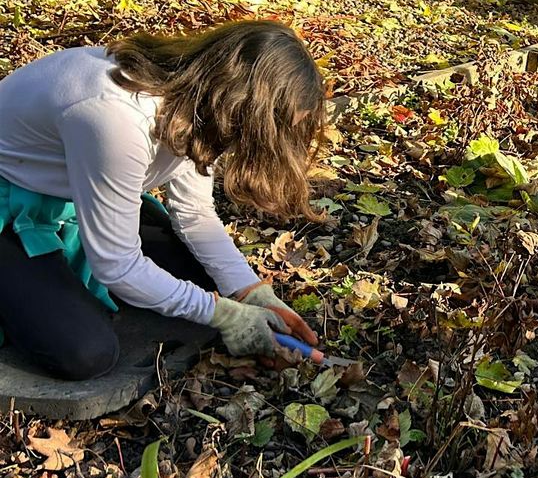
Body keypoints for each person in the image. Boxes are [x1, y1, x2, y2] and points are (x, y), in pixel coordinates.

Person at [0, 21, 323, 380]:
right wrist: (222, 315)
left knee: (207, 282)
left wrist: (250, 292)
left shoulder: (201, 104)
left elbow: (195, 214)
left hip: (77, 200)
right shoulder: (115, 117)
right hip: (11, 211)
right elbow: (118, 264)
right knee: (85, 351)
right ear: (246, 105)